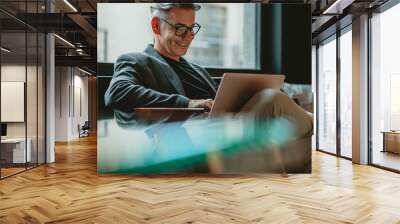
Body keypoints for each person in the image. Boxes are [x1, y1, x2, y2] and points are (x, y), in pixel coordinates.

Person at [104, 3, 313, 139]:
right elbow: (118, 93)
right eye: (179, 29)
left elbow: (223, 100)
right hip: (199, 138)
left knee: (279, 104)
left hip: (230, 127)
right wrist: (187, 103)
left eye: (192, 28)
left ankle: (311, 125)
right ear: (156, 26)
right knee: (273, 101)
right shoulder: (136, 61)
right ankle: (315, 126)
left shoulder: (197, 70)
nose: (189, 36)